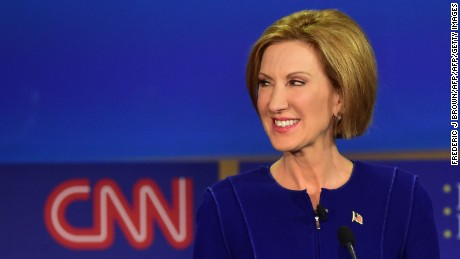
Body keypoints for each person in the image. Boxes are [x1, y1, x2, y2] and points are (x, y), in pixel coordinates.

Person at [193, 9, 440, 258]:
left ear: (340, 97)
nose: (274, 103)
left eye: (296, 82)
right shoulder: (226, 205)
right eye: (265, 83)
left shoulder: (400, 197)